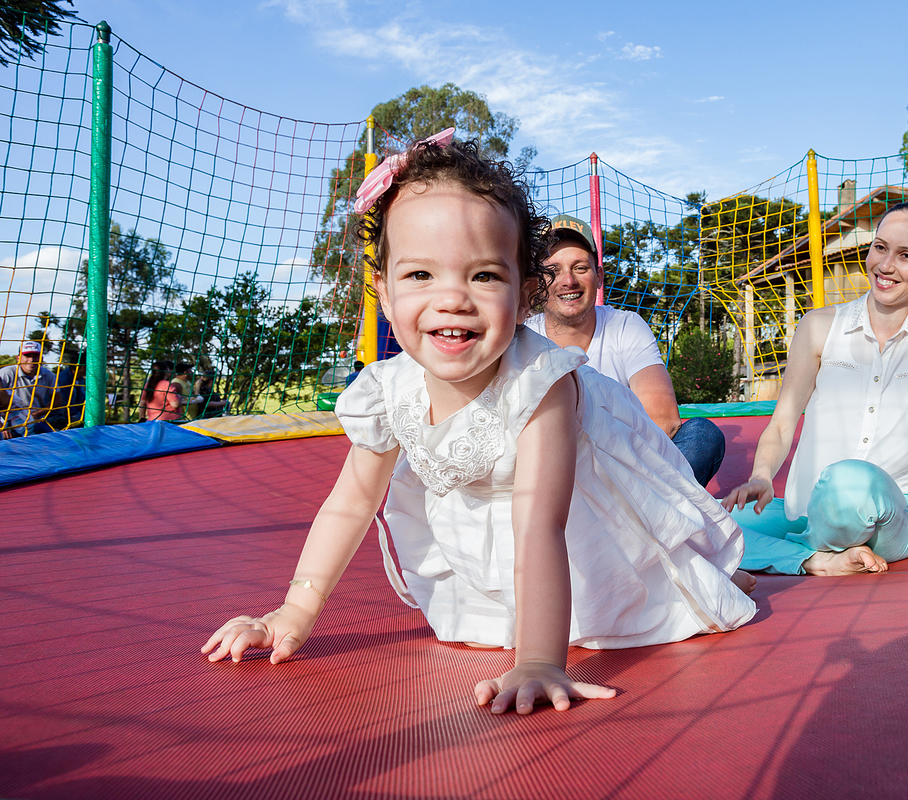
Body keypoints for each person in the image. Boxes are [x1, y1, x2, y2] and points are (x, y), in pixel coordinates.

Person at [202, 133, 756, 715]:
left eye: (484, 276)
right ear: (383, 294)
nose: (453, 299)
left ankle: (714, 578)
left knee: (666, 601)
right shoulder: (389, 390)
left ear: (523, 299)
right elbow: (350, 503)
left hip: (588, 526)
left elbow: (542, 523)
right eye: (420, 275)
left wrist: (540, 661)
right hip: (494, 550)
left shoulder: (541, 384)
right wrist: (294, 611)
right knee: (490, 624)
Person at [722, 200, 908, 576]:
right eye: (880, 247)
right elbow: (783, 421)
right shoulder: (818, 326)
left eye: (906, 255)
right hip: (807, 510)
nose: (885, 266)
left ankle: (793, 551)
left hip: (893, 519)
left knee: (850, 479)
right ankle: (816, 560)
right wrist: (761, 475)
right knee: (701, 524)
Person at [524, 215, 727, 488]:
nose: (568, 280)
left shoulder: (625, 325)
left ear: (599, 277)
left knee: (703, 436)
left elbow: (663, 420)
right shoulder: (525, 337)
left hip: (628, 476)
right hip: (557, 479)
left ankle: (635, 520)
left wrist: (608, 475)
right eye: (554, 270)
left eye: (580, 268)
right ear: (538, 283)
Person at [0, 340, 59, 438]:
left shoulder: (48, 375)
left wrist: (36, 414)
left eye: (35, 356)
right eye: (27, 356)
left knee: (52, 438)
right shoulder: (6, 373)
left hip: (35, 421)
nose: (31, 360)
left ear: (41, 358)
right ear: (18, 358)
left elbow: (57, 399)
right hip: (7, 421)